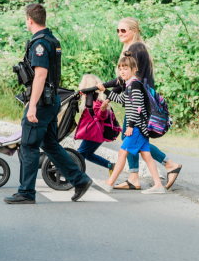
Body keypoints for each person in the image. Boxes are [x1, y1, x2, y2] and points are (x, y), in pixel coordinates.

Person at [4, 3, 93, 204]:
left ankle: (26, 192)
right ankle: (79, 180)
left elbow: (41, 75)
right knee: (50, 144)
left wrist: (32, 105)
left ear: (30, 19)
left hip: (43, 103)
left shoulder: (40, 44)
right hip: (52, 100)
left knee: (28, 144)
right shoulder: (52, 40)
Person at [95, 18, 182, 190]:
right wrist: (109, 95)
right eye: (118, 30)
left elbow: (124, 78)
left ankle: (169, 164)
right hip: (138, 101)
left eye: (123, 30)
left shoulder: (135, 48)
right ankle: (135, 178)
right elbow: (124, 81)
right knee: (136, 140)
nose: (120, 33)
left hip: (138, 103)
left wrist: (105, 90)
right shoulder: (138, 48)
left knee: (132, 139)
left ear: (133, 31)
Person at [93, 56, 165, 194]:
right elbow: (122, 100)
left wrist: (131, 126)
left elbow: (136, 107)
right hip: (140, 126)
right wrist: (105, 91)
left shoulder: (135, 85)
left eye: (125, 69)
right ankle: (158, 185)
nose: (122, 71)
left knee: (122, 152)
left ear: (133, 69)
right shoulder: (129, 85)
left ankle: (109, 183)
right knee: (146, 156)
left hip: (137, 126)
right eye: (120, 69)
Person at [75, 74, 115, 174]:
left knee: (79, 154)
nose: (79, 84)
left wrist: (103, 109)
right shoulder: (89, 102)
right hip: (95, 135)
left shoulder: (95, 103)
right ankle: (110, 165)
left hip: (93, 136)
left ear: (87, 86)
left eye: (81, 83)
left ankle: (77, 175)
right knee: (88, 155)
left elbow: (102, 116)